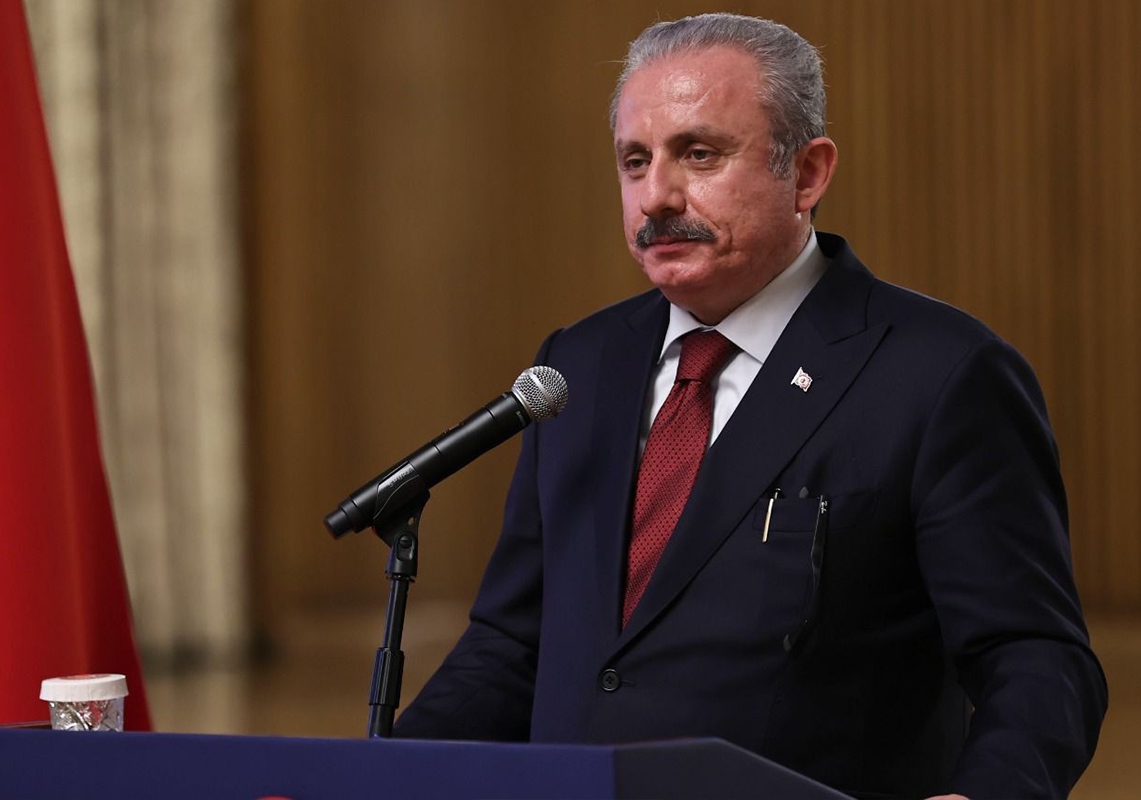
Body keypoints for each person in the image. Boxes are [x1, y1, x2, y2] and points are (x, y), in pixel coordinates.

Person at [394, 13, 1106, 799]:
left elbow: (1034, 657)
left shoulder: (941, 374)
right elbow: (512, 646)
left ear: (808, 173)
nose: (657, 197)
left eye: (699, 154)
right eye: (635, 161)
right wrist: (372, 778)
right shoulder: (578, 364)